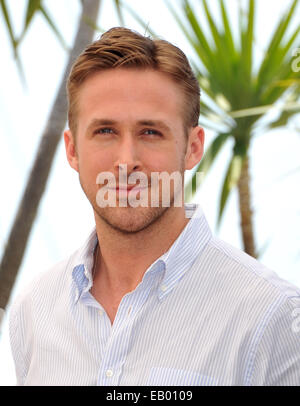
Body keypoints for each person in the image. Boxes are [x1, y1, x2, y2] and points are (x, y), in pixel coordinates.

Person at [9, 27, 300, 386]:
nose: (126, 160)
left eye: (150, 132)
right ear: (72, 150)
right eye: (105, 131)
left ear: (193, 147)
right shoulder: (33, 310)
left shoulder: (274, 317)